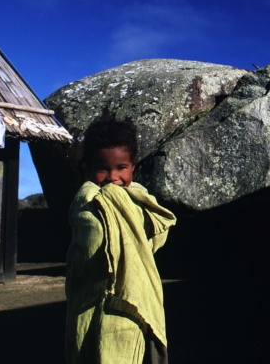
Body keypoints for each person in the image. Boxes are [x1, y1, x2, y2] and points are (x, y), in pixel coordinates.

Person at [65, 119, 176, 364]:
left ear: (133, 166)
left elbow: (153, 239)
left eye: (121, 167)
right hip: (92, 302)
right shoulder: (86, 201)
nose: (112, 177)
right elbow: (87, 249)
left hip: (132, 305)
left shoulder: (141, 199)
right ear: (88, 167)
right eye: (102, 168)